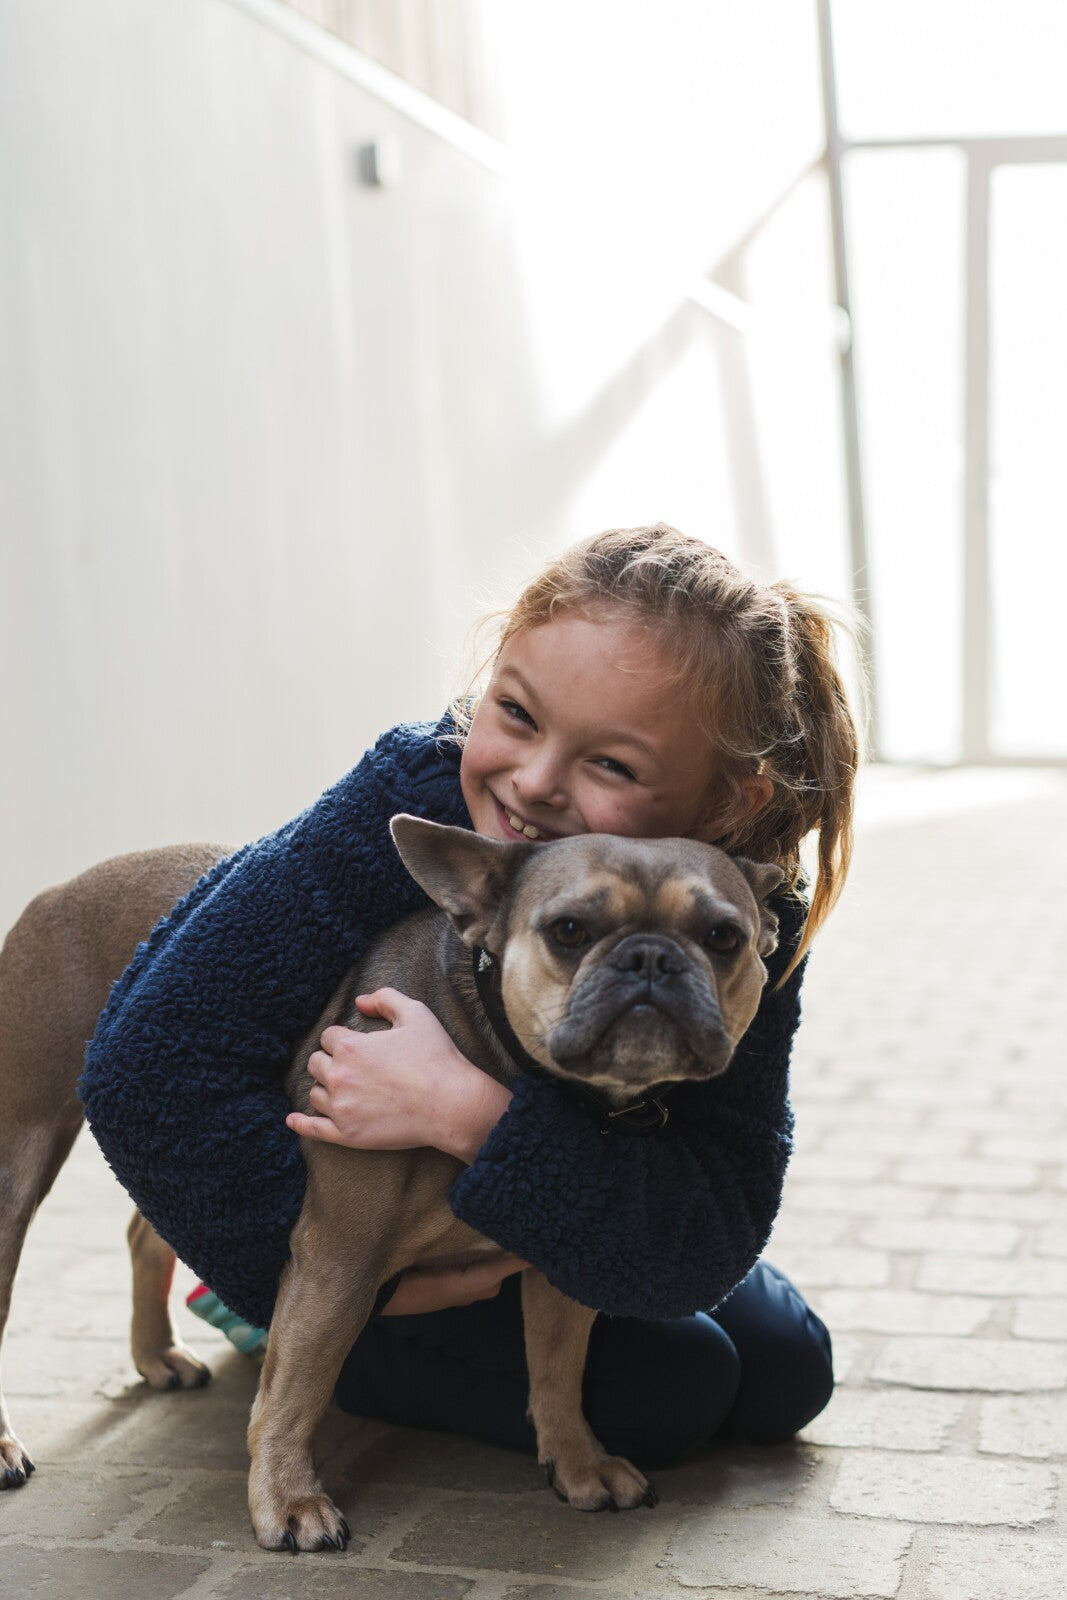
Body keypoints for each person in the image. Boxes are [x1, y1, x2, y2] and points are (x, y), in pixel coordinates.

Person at [80, 522, 860, 1469]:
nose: (532, 783)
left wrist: (470, 1114)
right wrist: (303, 1271)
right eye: (517, 715)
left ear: (729, 804)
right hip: (358, 1236)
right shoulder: (402, 803)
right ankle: (245, 1316)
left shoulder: (741, 903)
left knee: (787, 1369)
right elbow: (147, 1072)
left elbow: (711, 1224)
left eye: (612, 765)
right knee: (674, 1391)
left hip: (561, 1196)